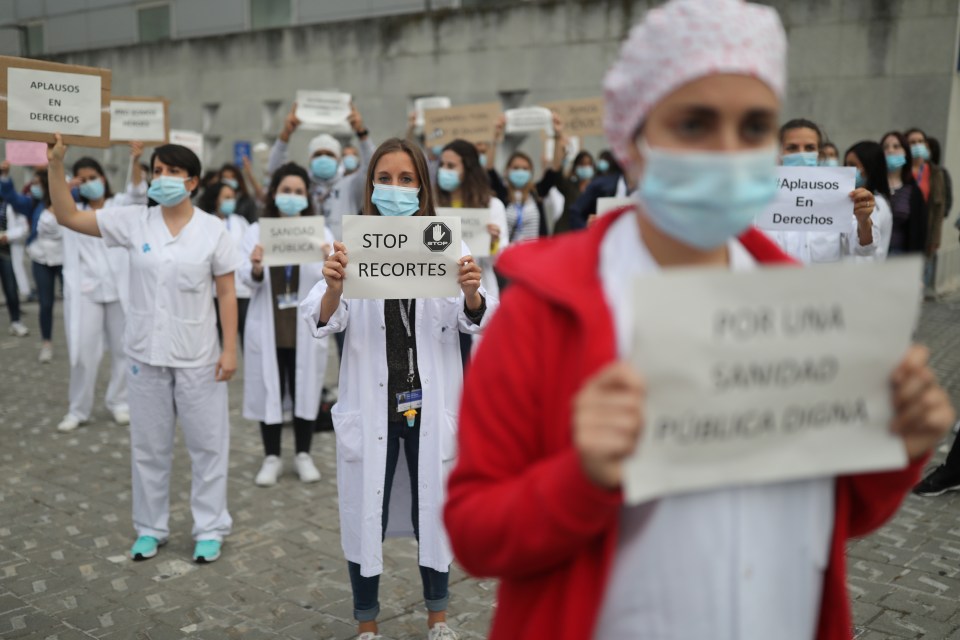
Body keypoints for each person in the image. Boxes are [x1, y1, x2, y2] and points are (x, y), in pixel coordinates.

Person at [443, 2, 955, 640]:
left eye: (755, 125)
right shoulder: (546, 311)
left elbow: (837, 510)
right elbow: (474, 531)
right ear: (634, 136)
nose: (726, 150)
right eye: (694, 123)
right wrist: (581, 478)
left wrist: (897, 446)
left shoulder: (796, 308)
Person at [300, 137, 495, 640]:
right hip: (374, 408)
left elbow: (472, 320)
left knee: (433, 510)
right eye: (384, 179)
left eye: (407, 179)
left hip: (428, 407)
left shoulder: (445, 242)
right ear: (369, 186)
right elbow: (321, 319)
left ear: (422, 188)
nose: (395, 188)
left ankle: (438, 617)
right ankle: (367, 625)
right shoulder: (352, 247)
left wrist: (471, 291)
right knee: (367, 515)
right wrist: (335, 287)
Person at [47, 135, 240, 565]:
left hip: (199, 357)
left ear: (192, 182)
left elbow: (226, 293)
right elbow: (67, 215)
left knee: (208, 447)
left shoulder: (213, 230)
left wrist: (230, 350)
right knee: (149, 448)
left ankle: (209, 527)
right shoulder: (133, 221)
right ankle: (150, 528)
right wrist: (56, 165)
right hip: (145, 357)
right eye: (157, 170)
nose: (163, 178)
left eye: (173, 172)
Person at [241, 162, 332, 486]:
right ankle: (272, 456)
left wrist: (328, 260)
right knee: (270, 390)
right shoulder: (257, 232)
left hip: (303, 329)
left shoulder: (320, 234)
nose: (291, 197)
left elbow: (333, 284)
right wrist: (254, 267)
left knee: (305, 387)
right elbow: (246, 281)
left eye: (297, 191)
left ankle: (303, 454)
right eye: (285, 191)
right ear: (274, 194)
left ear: (306, 196)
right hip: (270, 326)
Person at [57, 145, 147, 432]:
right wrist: (61, 188)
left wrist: (135, 159)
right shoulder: (72, 213)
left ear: (104, 178)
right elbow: (48, 224)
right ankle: (78, 408)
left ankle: (119, 402)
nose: (88, 183)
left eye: (92, 177)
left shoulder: (119, 206)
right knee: (84, 353)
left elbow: (137, 192)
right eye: (81, 180)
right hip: (87, 293)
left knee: (124, 349)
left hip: (120, 291)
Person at [767, 119, 879, 264]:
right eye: (792, 147)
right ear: (779, 152)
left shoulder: (841, 193)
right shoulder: (760, 197)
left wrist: (863, 221)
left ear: (819, 154)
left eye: (809, 148)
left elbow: (865, 249)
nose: (801, 154)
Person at [268, 102, 373, 239]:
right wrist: (286, 133)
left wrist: (361, 132)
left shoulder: (351, 185)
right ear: (310, 160)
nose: (323, 158)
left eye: (329, 154)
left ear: (338, 160)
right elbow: (276, 170)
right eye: (317, 155)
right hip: (307, 252)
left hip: (342, 255)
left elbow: (371, 167)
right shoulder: (302, 184)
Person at [199, 181, 251, 345]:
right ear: (216, 199)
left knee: (246, 337)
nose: (231, 201)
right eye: (227, 197)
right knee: (215, 338)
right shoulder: (205, 223)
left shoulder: (241, 221)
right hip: (214, 291)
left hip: (242, 290)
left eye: (233, 197)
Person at [23, 170, 63, 361]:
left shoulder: (67, 199)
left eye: (37, 183)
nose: (34, 187)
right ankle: (46, 342)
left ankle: (79, 341)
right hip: (41, 259)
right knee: (45, 303)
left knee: (73, 300)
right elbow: (13, 197)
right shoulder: (35, 203)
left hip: (65, 259)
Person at [906, 128, 947, 296]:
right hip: (903, 232)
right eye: (912, 142)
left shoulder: (935, 173)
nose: (917, 145)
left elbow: (940, 207)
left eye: (920, 142)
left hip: (924, 233)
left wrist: (935, 238)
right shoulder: (903, 171)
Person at [844, 141, 894, 260]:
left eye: (852, 165)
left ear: (870, 167)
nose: (847, 169)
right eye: (846, 164)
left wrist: (864, 221)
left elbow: (865, 247)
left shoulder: (875, 203)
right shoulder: (859, 199)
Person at [881, 131, 928, 255]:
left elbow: (919, 231)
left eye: (896, 147)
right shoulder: (874, 187)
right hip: (872, 256)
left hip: (899, 256)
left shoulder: (913, 191)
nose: (890, 151)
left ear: (906, 153)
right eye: (885, 147)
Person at [0, 193, 28, 338]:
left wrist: (8, 236)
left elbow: (24, 228)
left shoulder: (10, 204)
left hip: (6, 254)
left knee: (11, 289)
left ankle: (16, 321)